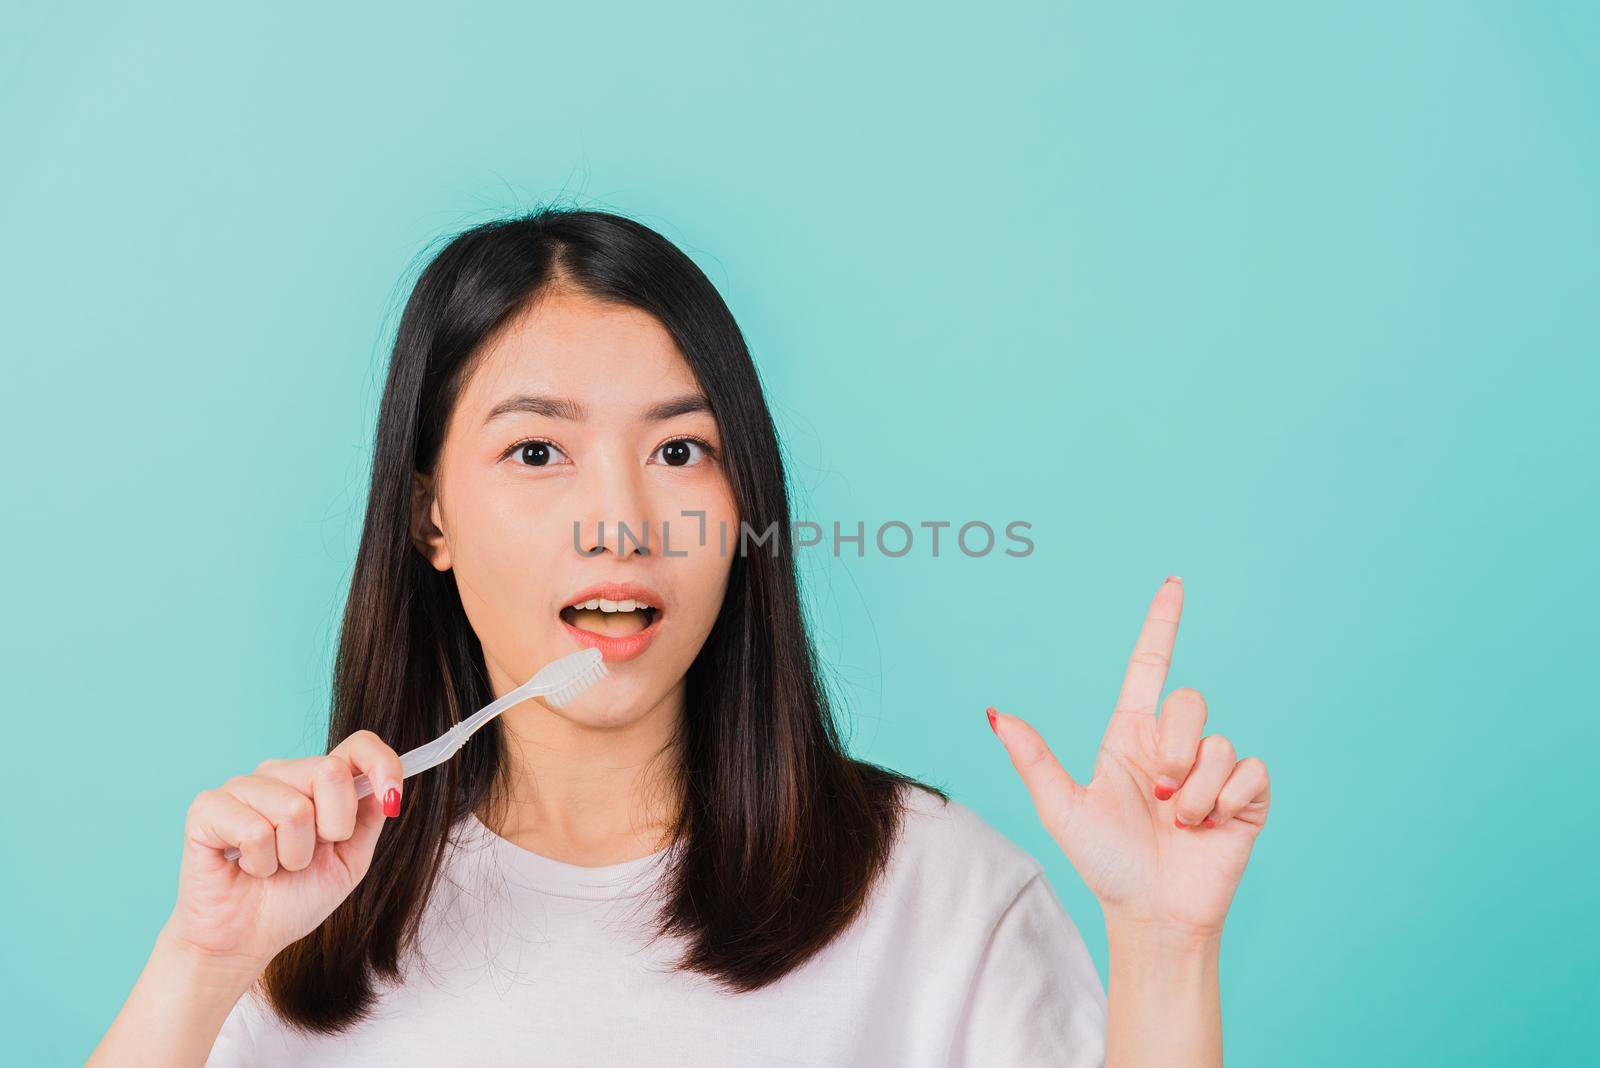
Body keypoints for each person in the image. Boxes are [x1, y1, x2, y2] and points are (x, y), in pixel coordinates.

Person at [90, 209, 1271, 1066]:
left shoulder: (937, 897)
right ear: (429, 517)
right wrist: (202, 968)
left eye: (679, 450)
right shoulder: (299, 922)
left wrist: (1167, 948)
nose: (623, 520)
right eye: (537, 452)